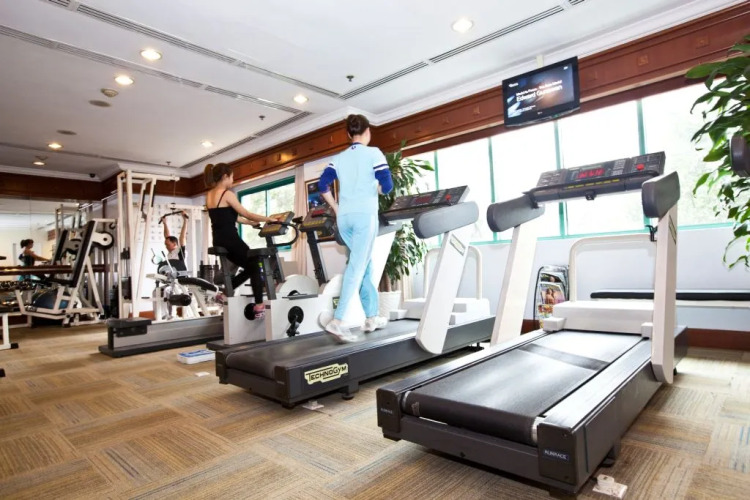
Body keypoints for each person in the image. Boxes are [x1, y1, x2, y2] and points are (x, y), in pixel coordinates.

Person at [318, 114, 393, 343]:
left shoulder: (339, 158)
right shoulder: (374, 153)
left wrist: (336, 207)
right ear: (367, 132)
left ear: (348, 134)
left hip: (344, 218)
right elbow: (387, 185)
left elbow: (322, 185)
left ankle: (371, 317)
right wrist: (378, 189)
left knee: (364, 264)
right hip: (364, 217)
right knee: (357, 267)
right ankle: (337, 321)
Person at [204, 163, 282, 318]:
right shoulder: (227, 194)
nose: (232, 180)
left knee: (250, 267)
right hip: (230, 239)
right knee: (255, 265)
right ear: (225, 176)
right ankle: (258, 305)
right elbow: (247, 213)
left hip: (218, 239)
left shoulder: (210, 195)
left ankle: (225, 293)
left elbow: (229, 217)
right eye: (232, 177)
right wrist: (270, 219)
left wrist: (250, 223)